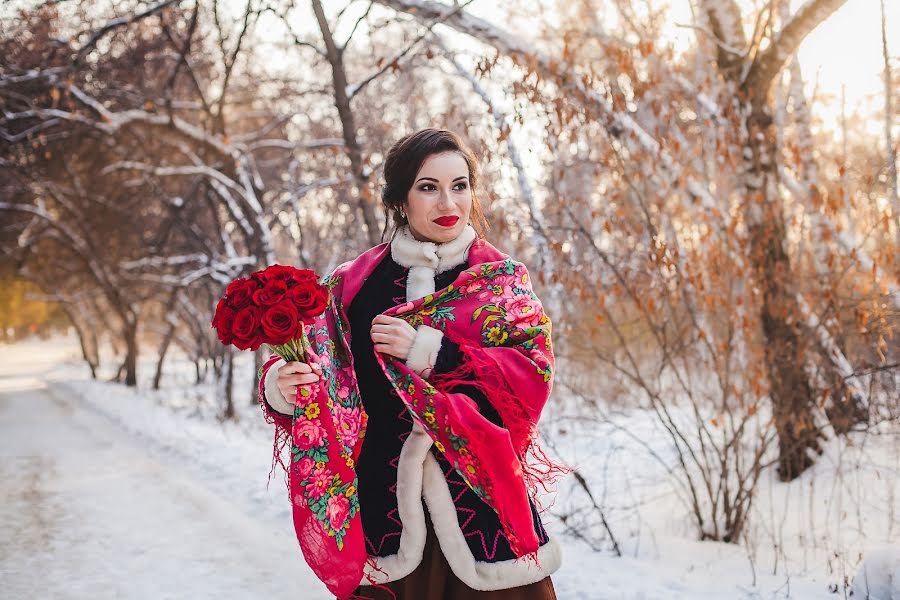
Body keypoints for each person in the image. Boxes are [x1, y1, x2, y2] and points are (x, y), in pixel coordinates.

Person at [258, 128, 562, 600]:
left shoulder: (499, 282)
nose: (449, 202)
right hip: (387, 516)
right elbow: (325, 381)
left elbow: (531, 378)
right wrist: (285, 384)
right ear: (400, 199)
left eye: (460, 185)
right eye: (429, 186)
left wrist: (432, 352)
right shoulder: (352, 286)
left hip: (483, 512)